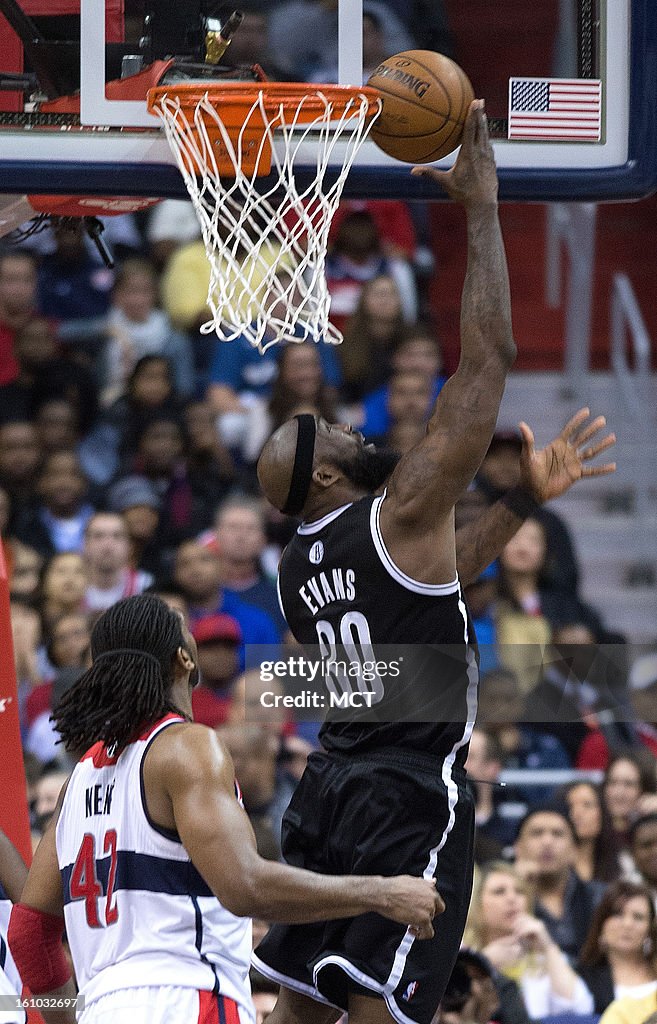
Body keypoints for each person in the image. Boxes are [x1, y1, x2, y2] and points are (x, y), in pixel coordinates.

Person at [254, 101, 616, 1024]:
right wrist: (482, 207)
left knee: (303, 1004)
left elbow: (438, 574)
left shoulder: (297, 569)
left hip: (329, 787)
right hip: (405, 792)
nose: (352, 426)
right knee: (386, 1009)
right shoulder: (396, 504)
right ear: (329, 474)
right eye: (336, 431)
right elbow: (486, 359)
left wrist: (525, 499)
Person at [8, 594, 441, 1024]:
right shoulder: (187, 747)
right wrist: (382, 894)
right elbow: (245, 888)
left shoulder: (76, 783)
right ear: (184, 659)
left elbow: (28, 937)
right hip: (187, 1000)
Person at [463, 861, 594, 1018]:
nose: (512, 898)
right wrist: (484, 961)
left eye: (519, 891)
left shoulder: (543, 958)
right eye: (499, 892)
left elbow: (581, 1009)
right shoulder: (462, 953)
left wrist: (549, 947)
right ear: (477, 904)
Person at [513, 806, 605, 962]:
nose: (547, 842)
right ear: (518, 848)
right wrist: (518, 887)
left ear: (575, 850)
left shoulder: (600, 898)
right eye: (537, 833)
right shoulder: (501, 898)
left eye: (557, 834)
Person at [577, 880, 657, 1015]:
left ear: (650, 929)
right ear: (601, 922)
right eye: (618, 914)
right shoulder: (582, 977)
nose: (627, 924)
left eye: (638, 917)